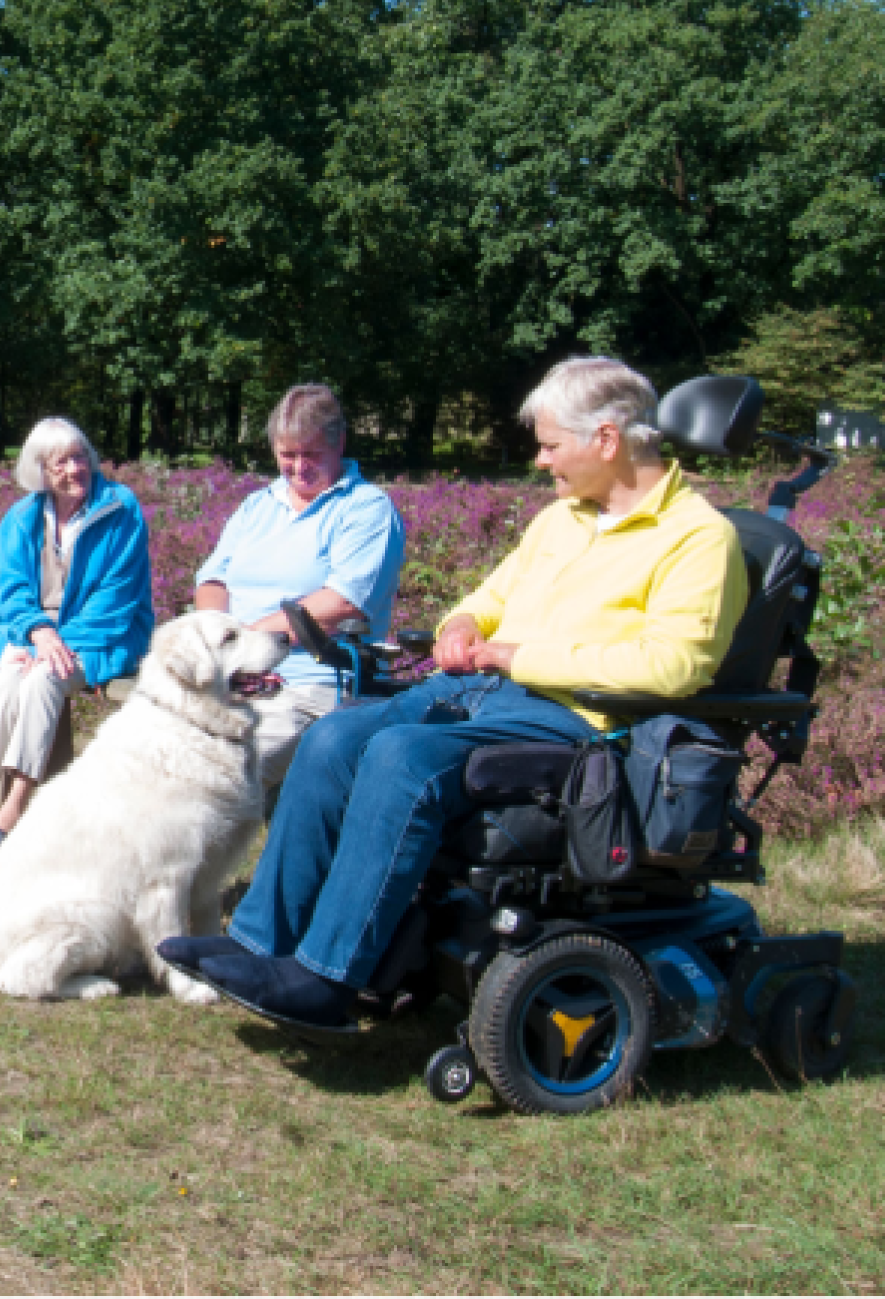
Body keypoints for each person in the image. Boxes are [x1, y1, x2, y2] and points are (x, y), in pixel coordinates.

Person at [164, 356, 750, 1032]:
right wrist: (465, 624)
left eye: (551, 444)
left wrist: (517, 655)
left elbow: (673, 665)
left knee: (402, 757)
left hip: (581, 722)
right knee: (334, 737)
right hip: (483, 692)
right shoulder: (563, 520)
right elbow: (488, 599)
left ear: (608, 441)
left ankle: (326, 977)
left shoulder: (699, 538)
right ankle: (259, 946)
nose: (539, 460)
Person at [0, 418, 153, 864]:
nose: (75, 470)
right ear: (40, 470)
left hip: (100, 636)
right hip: (33, 633)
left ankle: (14, 806)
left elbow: (116, 600)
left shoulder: (121, 509)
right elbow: (11, 590)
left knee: (42, 681)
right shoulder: (22, 517)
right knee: (5, 679)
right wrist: (37, 633)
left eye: (80, 457)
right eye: (62, 463)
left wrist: (57, 645)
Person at [194, 385, 405, 788]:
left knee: (213, 777)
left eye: (311, 454)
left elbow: (342, 602)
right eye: (287, 455)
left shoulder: (366, 509)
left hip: (308, 681)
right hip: (231, 673)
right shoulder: (258, 506)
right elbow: (213, 579)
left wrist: (244, 641)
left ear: (339, 444)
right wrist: (214, 636)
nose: (298, 466)